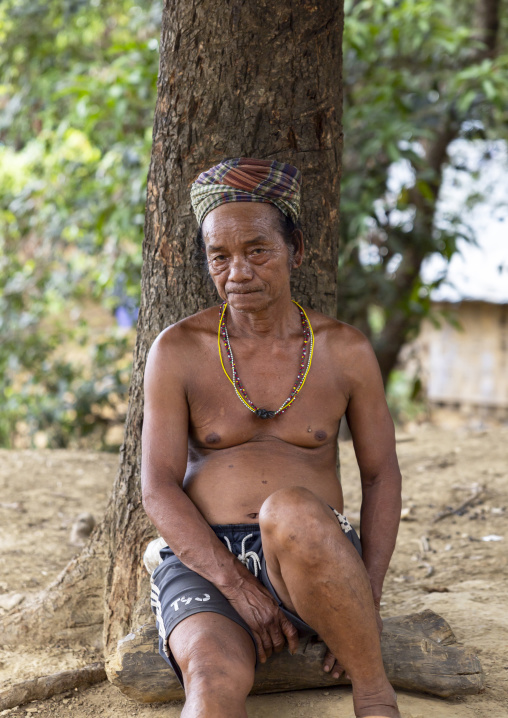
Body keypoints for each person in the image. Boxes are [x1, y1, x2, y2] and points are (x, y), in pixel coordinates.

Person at [141, 157, 402, 718]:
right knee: (210, 686)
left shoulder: (345, 351)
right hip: (205, 563)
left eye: (257, 250)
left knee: (288, 510)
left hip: (311, 556)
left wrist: (364, 596)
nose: (238, 272)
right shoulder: (177, 350)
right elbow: (158, 487)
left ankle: (376, 694)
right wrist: (235, 586)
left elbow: (381, 475)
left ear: (296, 250)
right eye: (220, 257)